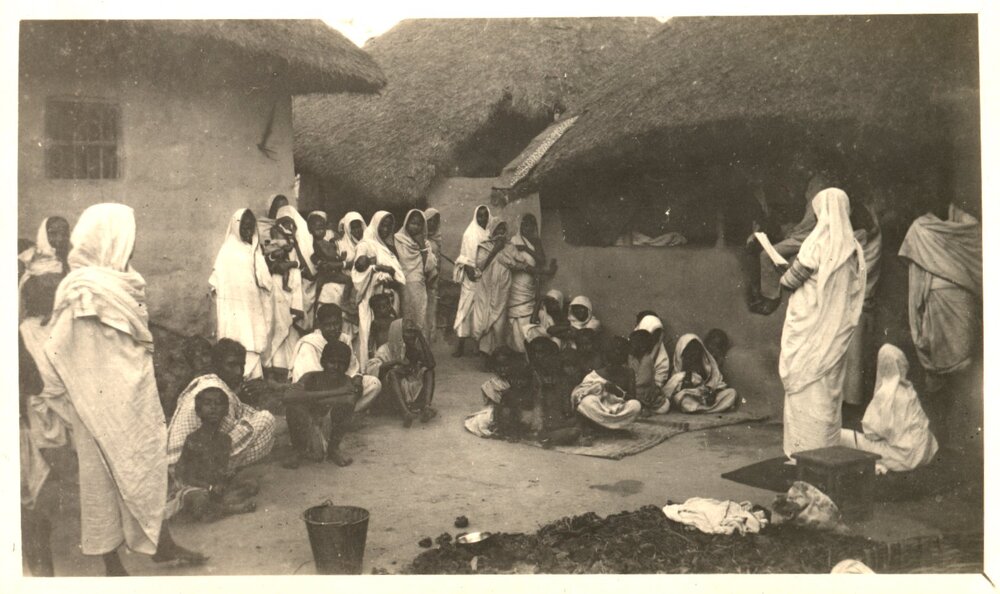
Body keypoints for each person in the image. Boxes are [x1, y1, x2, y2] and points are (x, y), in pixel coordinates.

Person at [43, 203, 203, 575]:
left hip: (134, 397)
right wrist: (81, 394)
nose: (132, 247)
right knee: (100, 483)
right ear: (107, 239)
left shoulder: (122, 280)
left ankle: (161, 542)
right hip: (95, 405)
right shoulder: (82, 290)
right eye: (126, 238)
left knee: (146, 466)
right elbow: (58, 348)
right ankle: (111, 563)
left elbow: (133, 338)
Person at [778, 188, 866, 459]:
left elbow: (790, 281)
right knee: (827, 394)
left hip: (809, 333)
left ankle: (803, 454)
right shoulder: (853, 247)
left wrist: (783, 271)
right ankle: (825, 453)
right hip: (834, 335)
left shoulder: (816, 243)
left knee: (805, 393)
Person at [898, 203, 982, 382]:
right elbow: (917, 275)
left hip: (960, 300)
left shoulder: (968, 225)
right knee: (947, 359)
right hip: (940, 300)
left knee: (962, 360)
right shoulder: (920, 228)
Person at [168, 339, 277, 471]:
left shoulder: (208, 382)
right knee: (266, 419)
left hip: (176, 460)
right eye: (231, 365)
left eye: (241, 365)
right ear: (216, 365)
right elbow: (223, 438)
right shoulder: (216, 391)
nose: (239, 371)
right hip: (189, 465)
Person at [839, 344, 939, 473]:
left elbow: (873, 435)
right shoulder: (909, 389)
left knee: (842, 436)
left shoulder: (887, 394)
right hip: (925, 451)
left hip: (904, 456)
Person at [170, 387, 259, 522]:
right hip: (195, 487)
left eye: (218, 404)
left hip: (214, 488)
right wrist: (209, 487)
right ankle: (232, 509)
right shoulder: (193, 439)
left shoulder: (225, 440)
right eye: (208, 403)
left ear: (226, 411)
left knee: (251, 484)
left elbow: (220, 471)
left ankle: (217, 506)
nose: (213, 408)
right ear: (198, 410)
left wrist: (220, 484)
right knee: (199, 499)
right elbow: (184, 475)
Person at [749, 173, 828, 315]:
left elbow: (808, 226)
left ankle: (771, 298)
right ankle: (762, 288)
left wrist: (792, 231)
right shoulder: (809, 191)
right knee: (763, 243)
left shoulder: (819, 192)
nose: (808, 191)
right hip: (801, 234)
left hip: (807, 238)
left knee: (766, 255)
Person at [210, 208, 273, 380]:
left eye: (251, 228)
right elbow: (216, 282)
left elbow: (265, 280)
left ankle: (253, 379)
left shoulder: (253, 250)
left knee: (252, 340)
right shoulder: (227, 251)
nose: (247, 231)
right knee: (237, 339)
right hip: (234, 309)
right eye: (244, 227)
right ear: (236, 227)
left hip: (252, 306)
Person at [289, 303, 382, 411]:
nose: (333, 328)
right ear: (319, 324)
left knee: (373, 383)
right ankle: (334, 412)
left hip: (341, 385)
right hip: (320, 391)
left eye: (336, 324)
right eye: (328, 325)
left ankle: (348, 412)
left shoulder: (344, 339)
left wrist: (357, 378)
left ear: (341, 322)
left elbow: (352, 369)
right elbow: (309, 379)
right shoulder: (310, 344)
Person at [284, 340, 360, 468]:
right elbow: (289, 396)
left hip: (327, 430)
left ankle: (333, 449)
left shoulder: (347, 381)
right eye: (332, 362)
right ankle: (297, 450)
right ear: (323, 362)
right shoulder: (310, 377)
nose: (336, 367)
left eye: (341, 363)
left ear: (347, 366)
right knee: (293, 407)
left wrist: (308, 398)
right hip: (306, 427)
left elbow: (349, 401)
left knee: (346, 406)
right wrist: (337, 392)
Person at [353, 211, 405, 368]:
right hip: (372, 297)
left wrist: (391, 276)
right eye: (382, 225)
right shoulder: (364, 245)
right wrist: (378, 269)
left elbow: (398, 276)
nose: (386, 229)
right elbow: (358, 271)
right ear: (375, 225)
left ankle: (389, 367)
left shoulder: (388, 248)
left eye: (389, 226)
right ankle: (370, 368)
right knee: (371, 333)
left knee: (390, 332)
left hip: (390, 296)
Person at [843, 202, 883, 407]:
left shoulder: (857, 241)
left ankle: (851, 402)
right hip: (864, 302)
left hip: (855, 302)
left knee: (853, 357)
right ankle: (853, 400)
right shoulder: (874, 237)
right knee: (856, 357)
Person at [367, 319, 437, 427]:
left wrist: (421, 337)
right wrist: (396, 362)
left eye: (414, 331)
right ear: (398, 333)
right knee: (393, 373)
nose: (412, 335)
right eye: (408, 331)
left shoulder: (413, 348)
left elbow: (431, 364)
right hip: (390, 396)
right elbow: (372, 369)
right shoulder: (384, 349)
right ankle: (405, 413)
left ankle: (427, 407)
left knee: (429, 371)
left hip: (408, 391)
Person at [507, 213, 557, 353]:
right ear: (521, 226)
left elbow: (541, 260)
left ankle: (528, 346)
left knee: (528, 312)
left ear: (534, 226)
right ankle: (517, 347)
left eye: (529, 225)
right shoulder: (514, 241)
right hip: (517, 281)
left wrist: (526, 249)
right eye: (524, 225)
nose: (526, 228)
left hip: (530, 281)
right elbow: (513, 263)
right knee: (517, 313)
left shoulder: (535, 241)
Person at [570, 336, 642, 431]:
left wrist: (618, 392)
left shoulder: (629, 372)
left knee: (636, 405)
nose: (617, 354)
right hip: (600, 409)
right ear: (607, 355)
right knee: (587, 402)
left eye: (620, 352)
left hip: (618, 410)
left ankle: (603, 426)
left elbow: (632, 398)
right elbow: (578, 396)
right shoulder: (595, 374)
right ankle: (610, 426)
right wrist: (598, 390)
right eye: (614, 352)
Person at [526, 332, 582, 446]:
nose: (538, 356)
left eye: (542, 352)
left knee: (576, 424)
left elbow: (564, 399)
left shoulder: (557, 372)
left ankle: (551, 434)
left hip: (556, 414)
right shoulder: (530, 371)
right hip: (537, 413)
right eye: (535, 352)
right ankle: (548, 435)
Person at [665, 334, 739, 414]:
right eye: (688, 351)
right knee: (683, 400)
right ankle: (709, 409)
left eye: (696, 350)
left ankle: (702, 409)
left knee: (732, 393)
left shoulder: (706, 365)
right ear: (681, 352)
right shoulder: (678, 372)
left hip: (706, 398)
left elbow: (717, 382)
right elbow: (669, 393)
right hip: (691, 399)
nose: (693, 354)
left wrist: (710, 391)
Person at [474, 219, 517, 356]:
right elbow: (481, 265)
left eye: (503, 229)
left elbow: (516, 263)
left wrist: (503, 250)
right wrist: (495, 250)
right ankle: (485, 352)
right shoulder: (484, 246)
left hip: (502, 288)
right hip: (486, 287)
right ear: (492, 230)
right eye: (498, 229)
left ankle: (498, 352)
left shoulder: (510, 247)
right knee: (485, 316)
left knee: (499, 319)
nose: (501, 232)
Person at [453, 204, 491, 357]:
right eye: (480, 216)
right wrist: (469, 269)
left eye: (485, 215)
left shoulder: (489, 232)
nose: (483, 218)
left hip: (485, 276)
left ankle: (478, 345)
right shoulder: (470, 233)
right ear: (476, 216)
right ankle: (460, 346)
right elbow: (466, 255)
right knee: (465, 309)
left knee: (480, 312)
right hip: (471, 277)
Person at [394, 209, 438, 333]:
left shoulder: (425, 243)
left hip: (419, 286)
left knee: (420, 317)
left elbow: (428, 267)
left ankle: (419, 343)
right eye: (413, 223)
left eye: (419, 224)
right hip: (403, 284)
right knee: (405, 319)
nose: (415, 227)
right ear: (406, 223)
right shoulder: (398, 239)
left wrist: (422, 246)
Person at [275, 204, 317, 330]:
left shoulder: (305, 237)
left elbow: (309, 263)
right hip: (292, 275)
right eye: (284, 223)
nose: (287, 226)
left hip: (306, 278)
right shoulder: (280, 235)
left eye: (289, 222)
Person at [309, 211, 352, 316]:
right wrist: (341, 261)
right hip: (329, 273)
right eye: (318, 229)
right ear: (311, 230)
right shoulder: (317, 244)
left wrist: (340, 258)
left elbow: (332, 256)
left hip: (329, 272)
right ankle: (345, 302)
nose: (321, 231)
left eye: (323, 228)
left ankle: (315, 312)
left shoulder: (324, 242)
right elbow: (325, 258)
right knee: (349, 280)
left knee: (317, 293)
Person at [628, 314, 672, 414]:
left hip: (648, 393)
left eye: (657, 335)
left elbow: (651, 382)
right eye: (652, 334)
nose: (654, 339)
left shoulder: (654, 357)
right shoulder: (633, 353)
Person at [335, 211, 367, 345]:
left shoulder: (368, 243)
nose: (357, 230)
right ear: (347, 228)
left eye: (359, 226)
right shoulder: (340, 244)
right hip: (347, 281)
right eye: (353, 227)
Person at [19, 216, 70, 290]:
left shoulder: (71, 258)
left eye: (64, 234)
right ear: (44, 235)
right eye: (53, 233)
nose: (60, 238)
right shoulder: (27, 257)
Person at [423, 208, 444, 342]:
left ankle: (429, 338)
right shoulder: (420, 240)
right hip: (422, 280)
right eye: (429, 221)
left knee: (431, 307)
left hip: (433, 281)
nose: (432, 224)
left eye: (435, 221)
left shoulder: (436, 240)